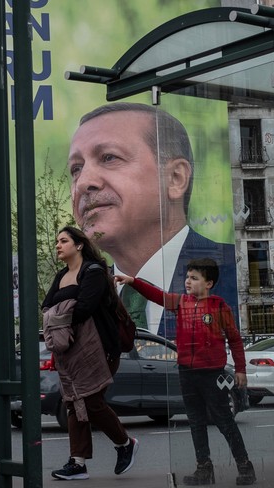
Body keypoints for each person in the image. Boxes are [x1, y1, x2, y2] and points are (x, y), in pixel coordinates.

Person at [68, 102, 237, 338]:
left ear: (176, 178)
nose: (83, 182)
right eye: (76, 168)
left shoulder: (231, 273)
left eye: (109, 157)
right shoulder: (80, 291)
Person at [115, 258, 256, 486]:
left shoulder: (219, 306)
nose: (188, 281)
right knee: (196, 422)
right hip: (187, 372)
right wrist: (133, 281)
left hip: (212, 373)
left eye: (194, 278)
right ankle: (204, 468)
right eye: (187, 277)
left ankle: (244, 465)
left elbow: (235, 339)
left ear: (208, 283)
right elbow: (156, 295)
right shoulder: (181, 302)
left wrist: (240, 369)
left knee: (224, 421)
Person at [42, 226, 138, 481]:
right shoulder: (62, 275)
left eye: (63, 240)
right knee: (74, 403)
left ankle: (124, 443)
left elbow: (83, 309)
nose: (58, 245)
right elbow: (46, 307)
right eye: (56, 241)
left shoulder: (93, 271)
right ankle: (78, 463)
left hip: (101, 349)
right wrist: (61, 311)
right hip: (72, 351)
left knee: (91, 402)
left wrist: (59, 313)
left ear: (79, 245)